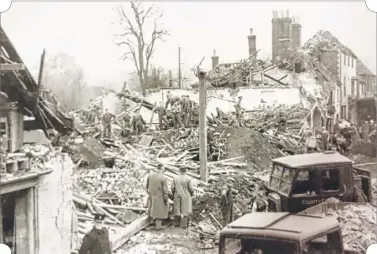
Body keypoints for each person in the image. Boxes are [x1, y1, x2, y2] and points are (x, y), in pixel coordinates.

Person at [146, 164, 169, 230]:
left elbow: (147, 186)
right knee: (160, 210)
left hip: (151, 195)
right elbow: (165, 190)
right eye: (164, 168)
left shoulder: (150, 175)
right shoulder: (163, 178)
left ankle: (152, 221)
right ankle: (158, 226)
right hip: (160, 196)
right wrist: (166, 199)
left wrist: (149, 193)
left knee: (151, 208)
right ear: (162, 168)